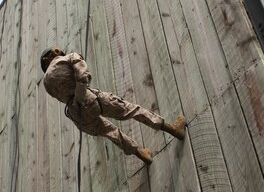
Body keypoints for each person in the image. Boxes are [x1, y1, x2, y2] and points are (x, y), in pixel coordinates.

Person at [41, 47, 186, 164]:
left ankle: (142, 154)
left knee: (112, 133)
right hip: (88, 100)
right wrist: (80, 93)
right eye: (56, 51)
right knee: (131, 110)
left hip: (77, 115)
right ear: (48, 58)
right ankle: (174, 130)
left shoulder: (46, 84)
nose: (59, 52)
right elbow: (83, 75)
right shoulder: (66, 58)